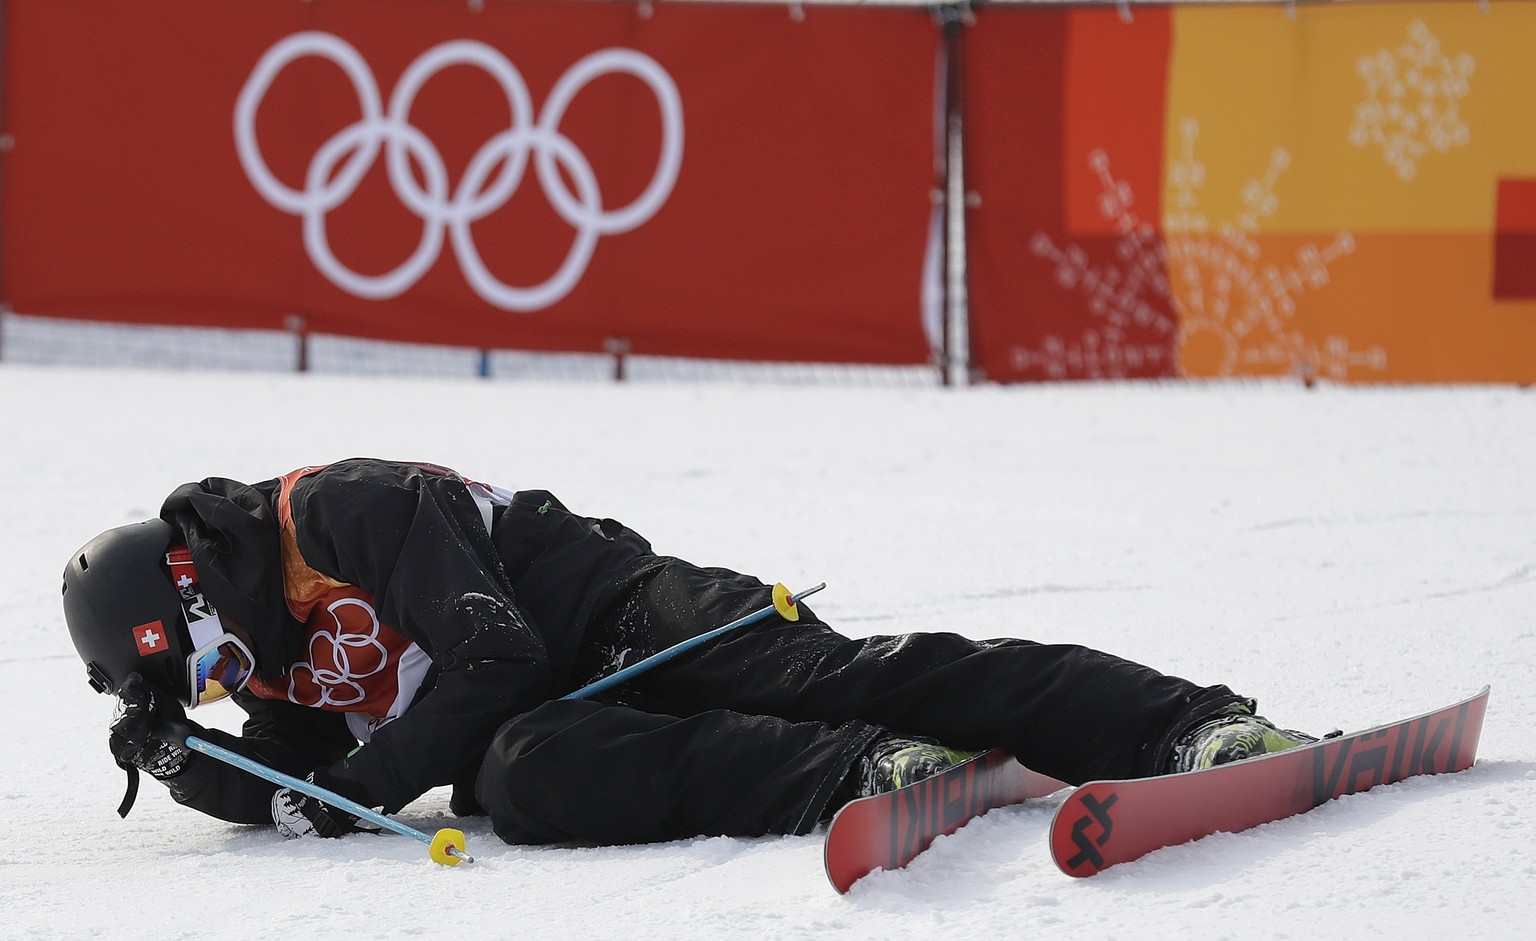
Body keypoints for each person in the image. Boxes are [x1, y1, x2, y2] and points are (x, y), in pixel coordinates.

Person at [62, 457, 1315, 846]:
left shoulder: (332, 512)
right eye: (209, 691)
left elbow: (489, 656)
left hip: (612, 609)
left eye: (203, 667)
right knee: (532, 781)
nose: (235, 687)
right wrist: (188, 759)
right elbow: (313, 795)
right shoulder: (265, 656)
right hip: (541, 705)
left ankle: (1182, 725)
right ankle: (874, 773)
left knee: (817, 671)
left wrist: (378, 774)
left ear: (188, 586)